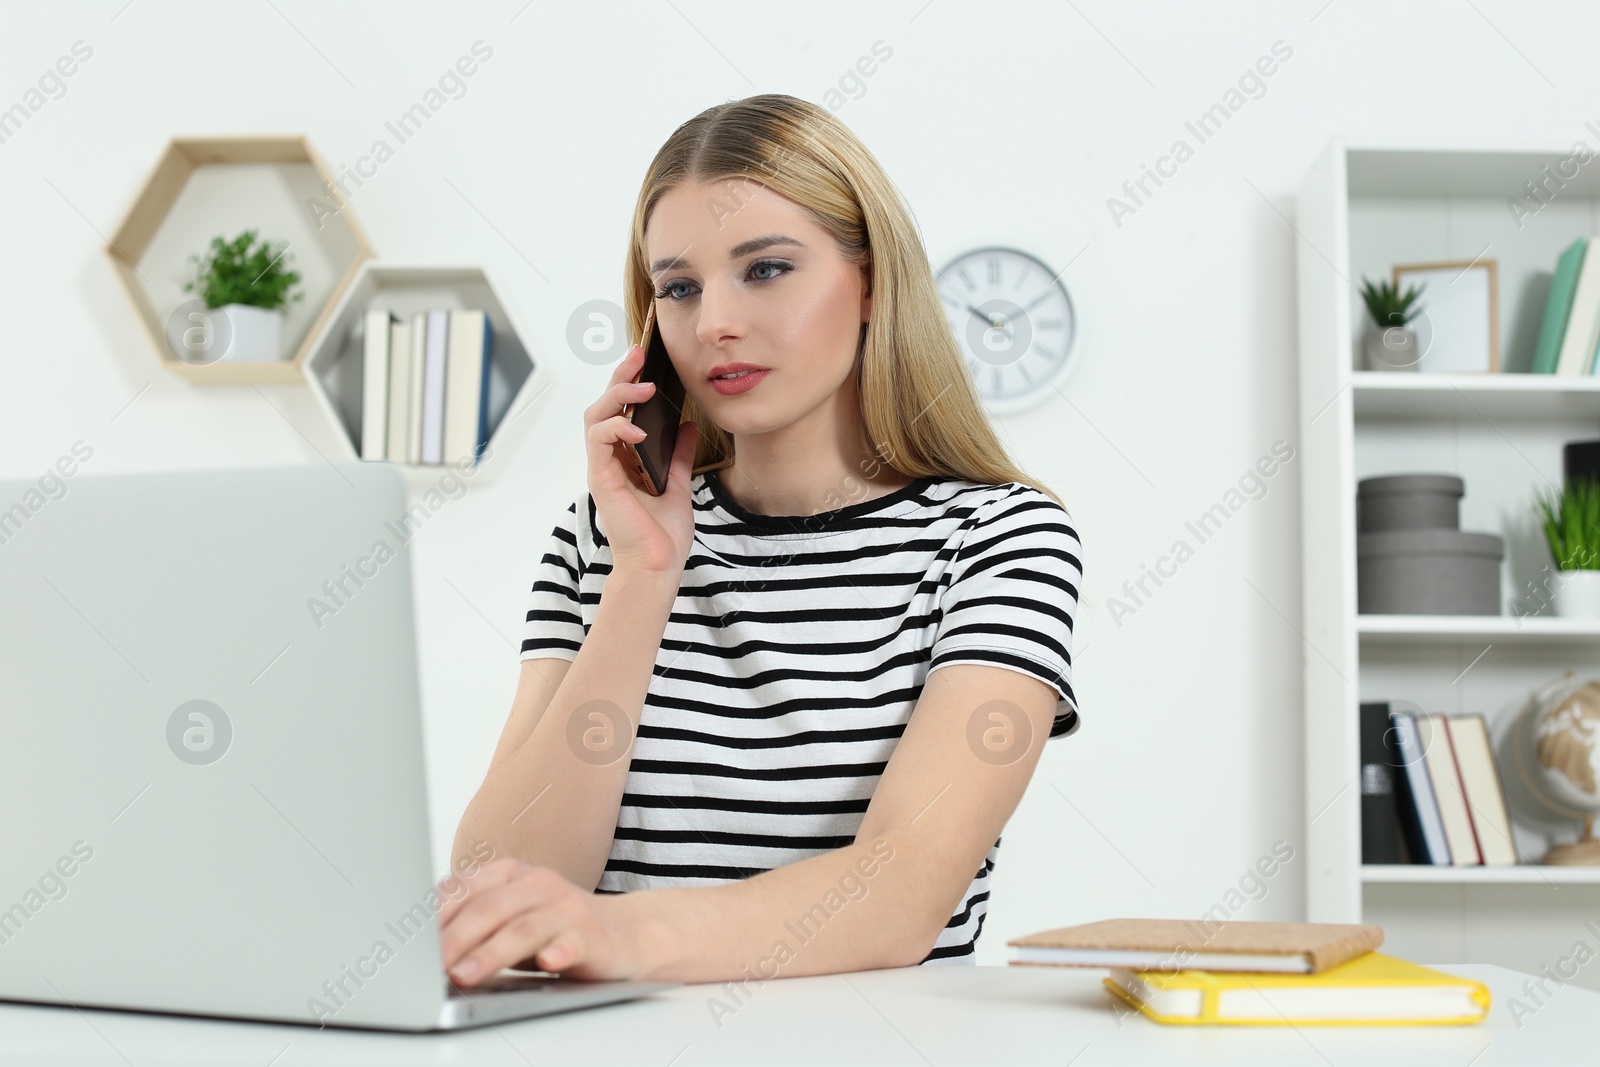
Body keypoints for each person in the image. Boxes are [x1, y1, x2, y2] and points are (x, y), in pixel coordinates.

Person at [438, 93, 1083, 987]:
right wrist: (645, 576)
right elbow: (499, 882)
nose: (714, 325)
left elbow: (905, 889)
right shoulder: (605, 537)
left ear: (870, 282)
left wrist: (624, 936)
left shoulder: (998, 537)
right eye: (679, 287)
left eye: (767, 269)